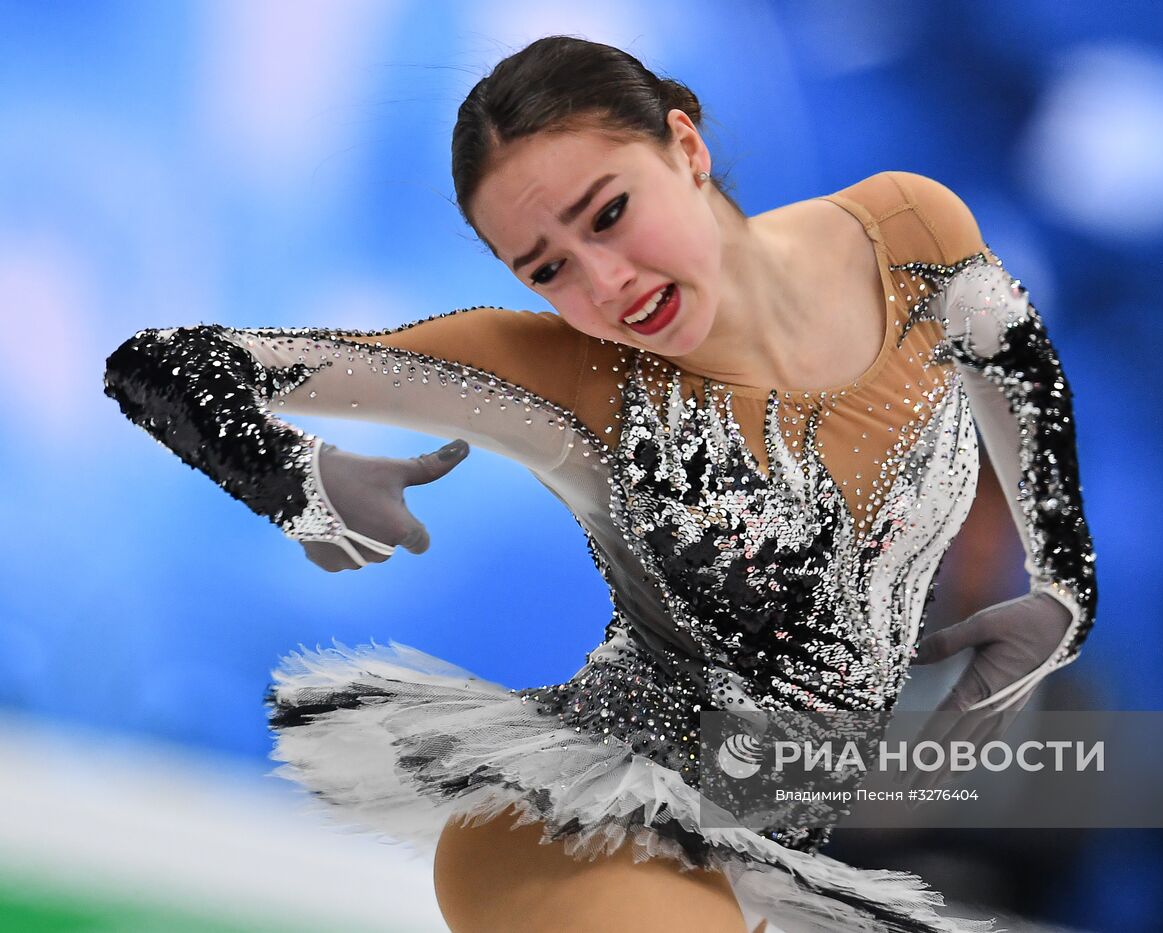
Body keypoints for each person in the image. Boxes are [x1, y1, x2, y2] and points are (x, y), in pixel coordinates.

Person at [102, 35, 1096, 933]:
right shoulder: (561, 376)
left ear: (685, 148)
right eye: (547, 268)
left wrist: (1059, 585)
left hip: (781, 852)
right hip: (580, 831)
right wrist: (295, 479)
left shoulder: (903, 230)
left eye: (609, 214)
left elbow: (1011, 357)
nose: (604, 284)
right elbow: (167, 364)